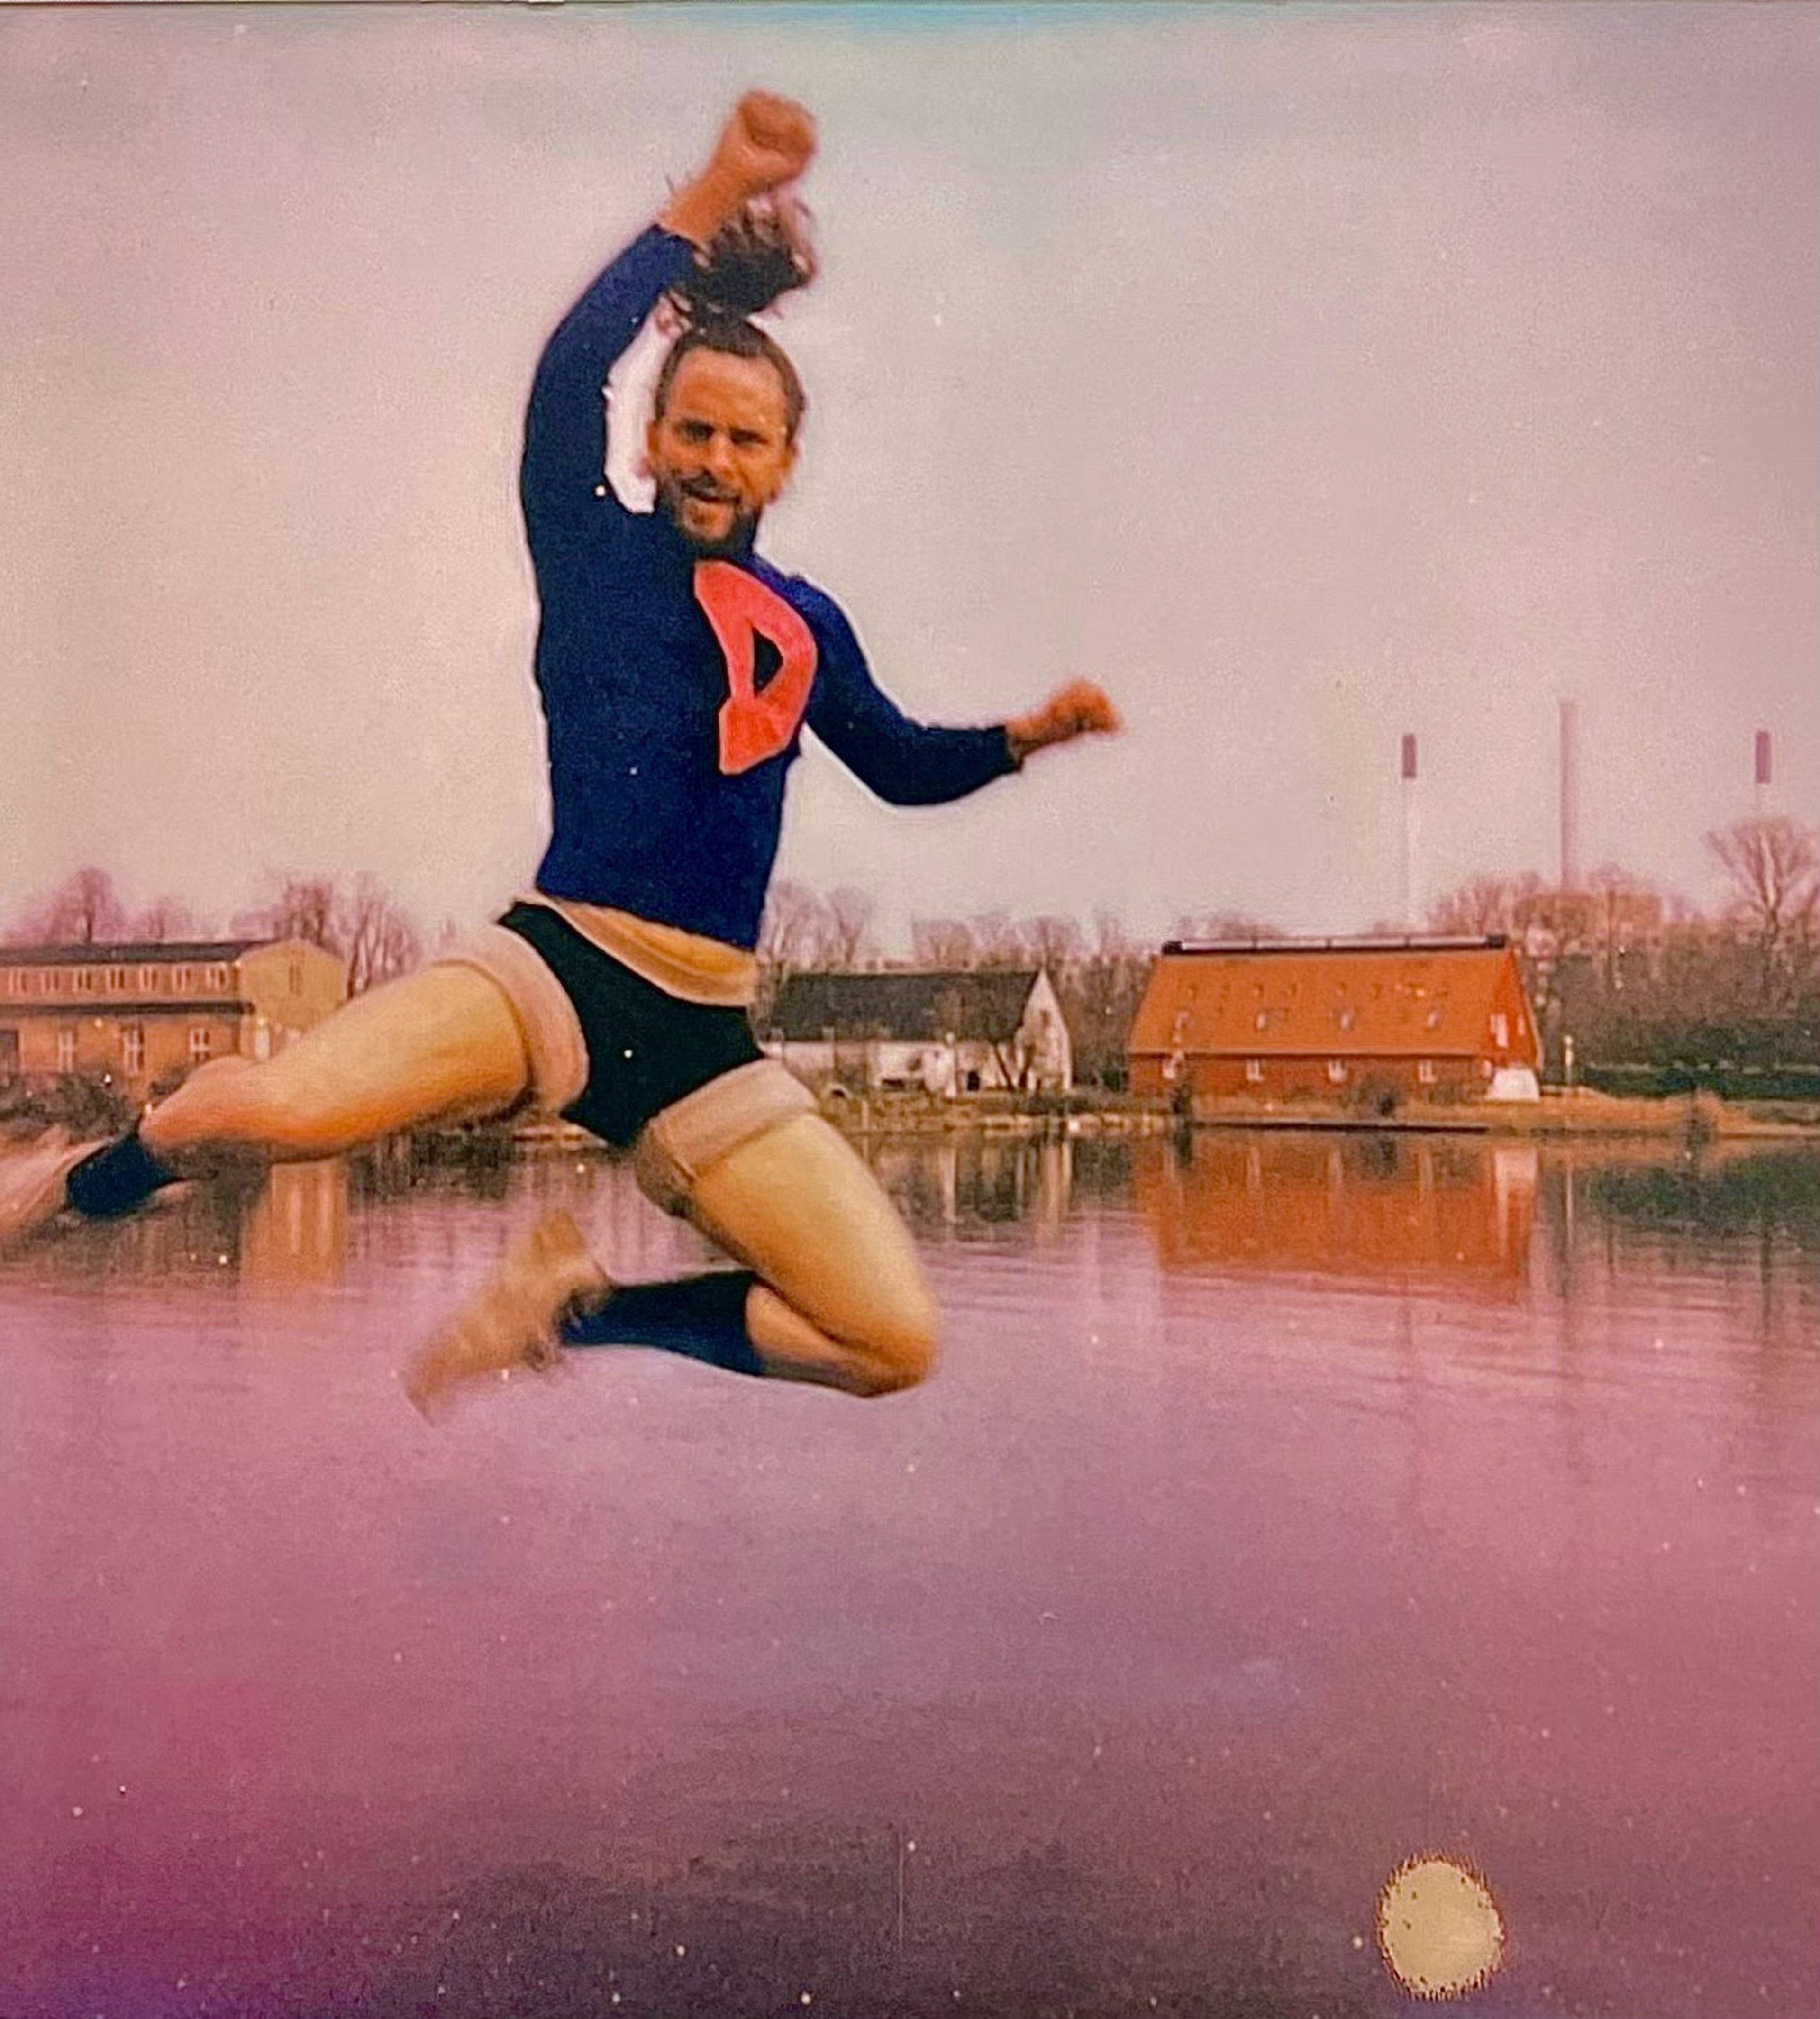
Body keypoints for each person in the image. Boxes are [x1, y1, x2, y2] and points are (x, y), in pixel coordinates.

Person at [0, 93, 1118, 1411]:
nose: (712, 458)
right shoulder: (592, 552)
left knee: (892, 1338)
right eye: (690, 430)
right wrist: (711, 191)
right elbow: (568, 368)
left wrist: (1024, 738)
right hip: (551, 971)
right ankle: (73, 1181)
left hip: (705, 1041)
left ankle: (571, 1308)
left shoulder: (807, 623)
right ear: (650, 442)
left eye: (742, 440)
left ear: (785, 462)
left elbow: (898, 760)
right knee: (272, 1113)